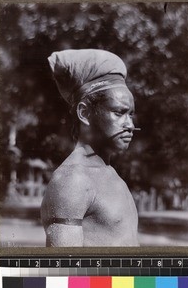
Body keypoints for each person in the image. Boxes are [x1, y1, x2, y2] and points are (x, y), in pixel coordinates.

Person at [41, 49, 139, 246]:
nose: (129, 124)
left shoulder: (108, 172)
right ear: (84, 113)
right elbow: (64, 272)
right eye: (119, 113)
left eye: (131, 114)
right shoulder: (72, 182)